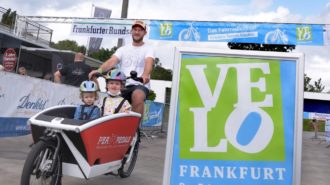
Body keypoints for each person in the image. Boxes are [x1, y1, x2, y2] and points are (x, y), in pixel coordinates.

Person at [89, 20, 154, 117]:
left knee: (138, 96)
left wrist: (145, 75)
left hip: (139, 84)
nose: (137, 32)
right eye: (135, 29)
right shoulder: (123, 49)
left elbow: (149, 62)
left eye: (140, 30)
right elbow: (112, 61)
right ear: (131, 31)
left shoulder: (148, 48)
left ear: (144, 33)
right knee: (109, 101)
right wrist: (99, 71)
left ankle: (133, 129)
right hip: (122, 84)